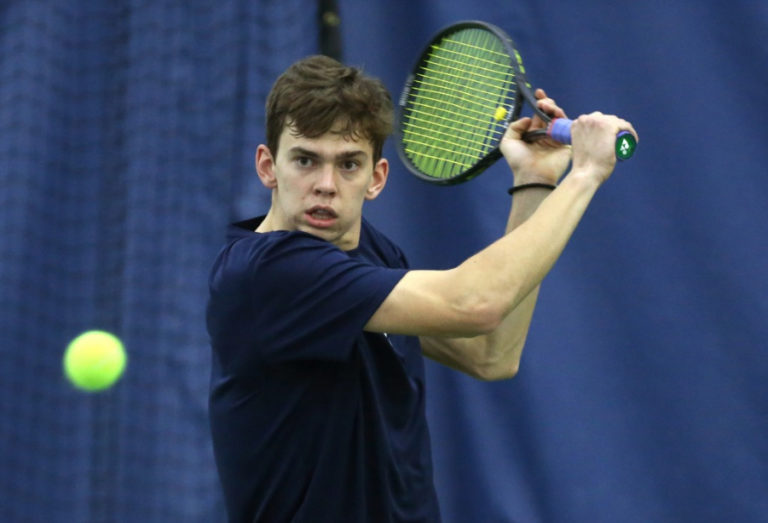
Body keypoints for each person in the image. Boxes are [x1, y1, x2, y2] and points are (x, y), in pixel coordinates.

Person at [206, 55, 637, 522]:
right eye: (306, 160)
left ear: (376, 179)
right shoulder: (269, 273)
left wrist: (536, 177)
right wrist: (586, 174)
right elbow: (476, 303)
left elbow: (490, 354)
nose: (325, 185)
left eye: (348, 164)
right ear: (268, 167)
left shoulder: (372, 251)